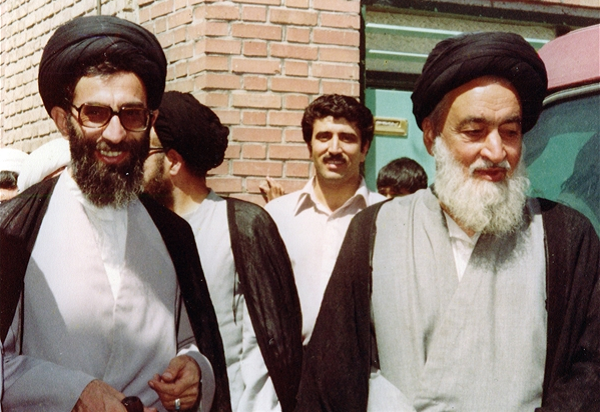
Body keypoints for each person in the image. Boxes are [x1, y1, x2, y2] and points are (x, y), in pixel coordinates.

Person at [296, 32, 600, 411]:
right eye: (474, 132)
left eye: (510, 132)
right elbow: (331, 376)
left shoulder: (565, 235)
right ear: (431, 136)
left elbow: (590, 371)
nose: (496, 152)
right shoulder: (375, 229)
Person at [0, 15, 230, 412]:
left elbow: (194, 341)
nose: (115, 133)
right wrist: (72, 391)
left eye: (132, 114)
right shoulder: (14, 231)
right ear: (63, 121)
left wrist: (196, 369)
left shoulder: (173, 233)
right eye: (95, 113)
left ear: (150, 121)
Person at [143, 91, 303, 412]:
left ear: (172, 161)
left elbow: (264, 350)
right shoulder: (141, 227)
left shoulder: (241, 225)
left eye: (144, 151)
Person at [265, 94, 385, 347]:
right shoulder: (277, 216)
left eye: (347, 138)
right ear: (309, 147)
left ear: (364, 149)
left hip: (365, 363)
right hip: (293, 361)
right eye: (324, 137)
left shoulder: (387, 217)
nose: (334, 149)